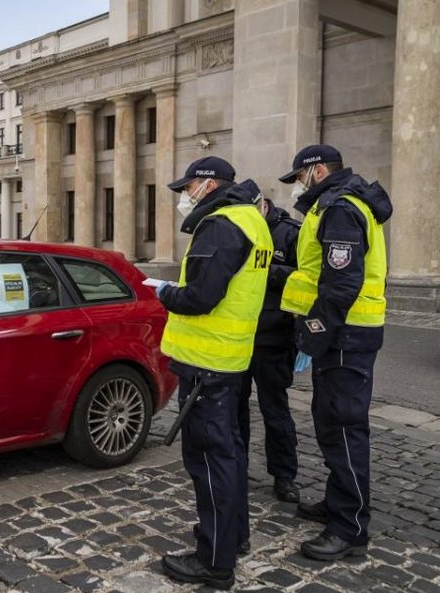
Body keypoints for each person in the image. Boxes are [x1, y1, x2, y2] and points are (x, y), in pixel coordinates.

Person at [154, 157, 273, 591]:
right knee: (230, 454)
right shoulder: (252, 219)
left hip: (208, 363)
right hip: (229, 358)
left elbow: (201, 296)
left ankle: (215, 561)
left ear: (206, 184)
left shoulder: (222, 223)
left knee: (209, 461)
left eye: (187, 188)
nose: (185, 197)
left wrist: (166, 292)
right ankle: (231, 536)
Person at [277, 145, 392, 561]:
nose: (296, 188)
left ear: (317, 170)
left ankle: (350, 527)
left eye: (299, 178)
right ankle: (338, 503)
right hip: (343, 335)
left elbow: (341, 282)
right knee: (330, 425)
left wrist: (313, 333)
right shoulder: (335, 205)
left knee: (343, 429)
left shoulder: (340, 208)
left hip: (346, 335)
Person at [235, 184, 303, 504]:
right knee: (235, 409)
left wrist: (265, 270)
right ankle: (236, 467)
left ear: (262, 206)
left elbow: (305, 277)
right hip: (239, 335)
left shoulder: (289, 233)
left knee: (275, 410)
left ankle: (284, 475)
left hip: (274, 337)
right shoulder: (238, 229)